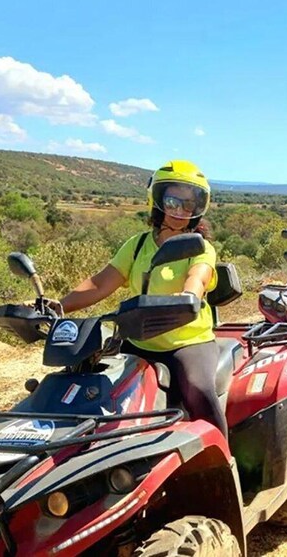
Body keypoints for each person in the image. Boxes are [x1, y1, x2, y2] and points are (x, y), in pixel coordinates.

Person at [50, 160, 227, 437]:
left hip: (187, 342)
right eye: (172, 201)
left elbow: (199, 277)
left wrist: (188, 295)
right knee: (97, 391)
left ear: (198, 208)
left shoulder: (200, 247)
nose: (180, 210)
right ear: (157, 201)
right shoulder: (137, 245)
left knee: (198, 387)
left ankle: (222, 458)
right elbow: (100, 283)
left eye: (188, 204)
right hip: (138, 339)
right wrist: (58, 305)